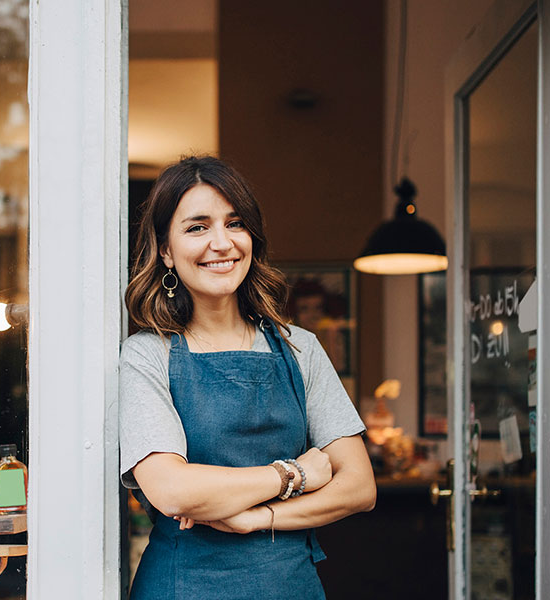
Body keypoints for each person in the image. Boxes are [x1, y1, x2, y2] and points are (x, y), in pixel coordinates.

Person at [119, 156, 376, 599]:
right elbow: (173, 490)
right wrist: (293, 474)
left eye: (234, 223)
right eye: (197, 227)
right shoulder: (146, 354)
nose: (221, 243)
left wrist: (259, 518)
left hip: (290, 585)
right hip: (184, 587)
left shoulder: (301, 347)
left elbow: (358, 486)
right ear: (165, 249)